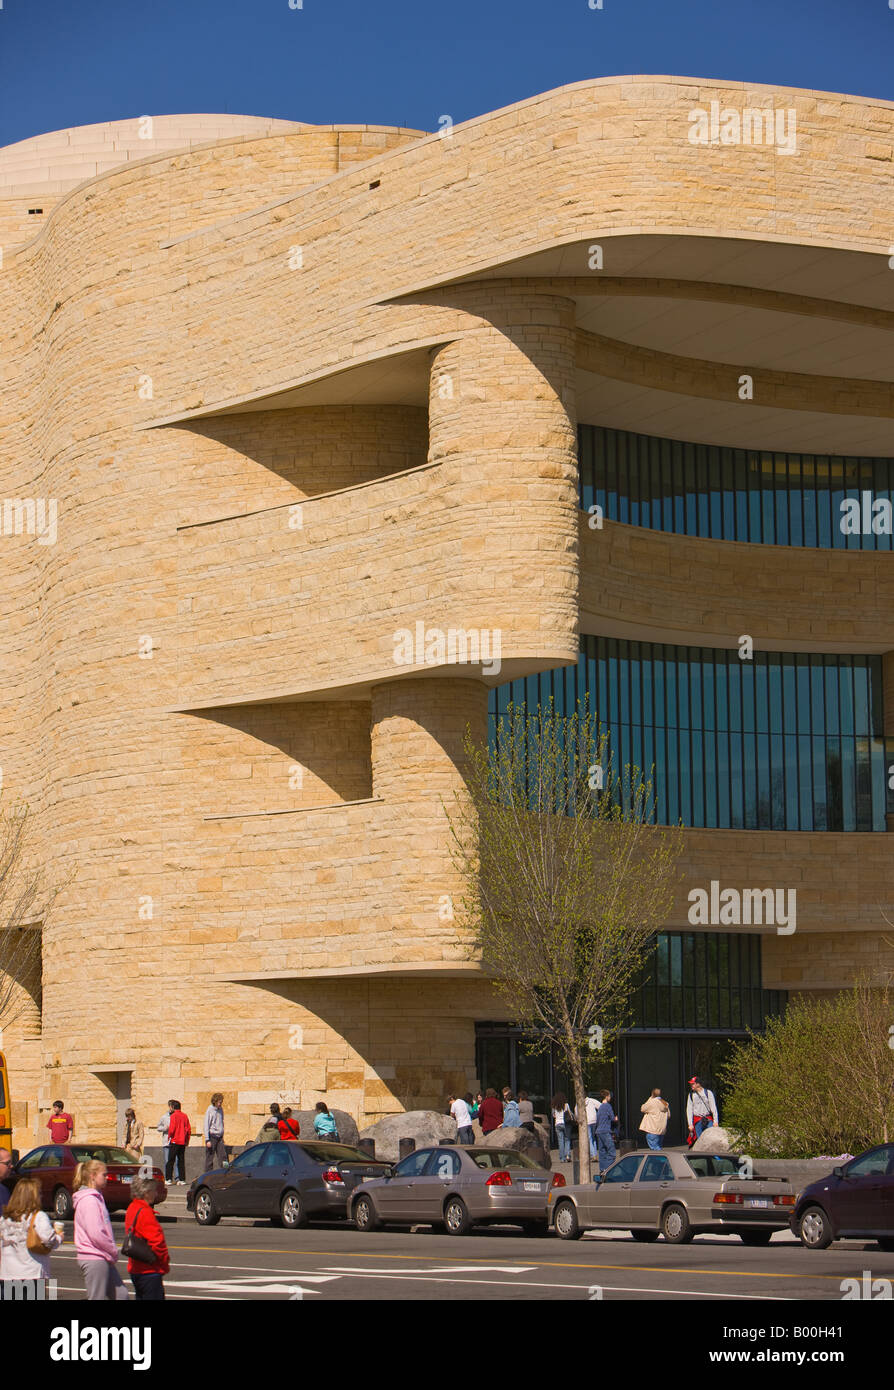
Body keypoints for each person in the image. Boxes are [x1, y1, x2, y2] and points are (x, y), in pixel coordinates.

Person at [73, 1159, 128, 1300]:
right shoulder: (89, 1201)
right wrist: (112, 1249)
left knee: (121, 1295)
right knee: (96, 1296)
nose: (107, 1178)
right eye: (103, 1175)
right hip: (94, 1256)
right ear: (92, 1176)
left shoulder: (96, 1198)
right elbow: (96, 1233)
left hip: (102, 1255)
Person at [0, 1177, 63, 1294]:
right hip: (31, 1272)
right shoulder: (38, 1216)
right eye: (39, 1193)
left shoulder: (4, 1219)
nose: (41, 1196)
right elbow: (49, 1239)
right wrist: (59, 1237)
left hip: (7, 1274)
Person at [124, 1176, 169, 1300]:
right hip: (149, 1270)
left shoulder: (132, 1208)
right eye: (154, 1190)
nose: (156, 1193)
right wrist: (164, 1264)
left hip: (135, 1267)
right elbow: (157, 1242)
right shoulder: (145, 1212)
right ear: (146, 1193)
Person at [686, 1076, 719, 1145]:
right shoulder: (691, 1095)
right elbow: (689, 1110)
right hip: (697, 1120)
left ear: (698, 1084)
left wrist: (715, 1121)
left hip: (708, 1119)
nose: (691, 1085)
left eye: (693, 1084)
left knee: (711, 1139)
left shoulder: (708, 1093)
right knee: (700, 1141)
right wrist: (690, 1124)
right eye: (691, 1084)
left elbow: (713, 1107)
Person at [165, 1100, 191, 1185]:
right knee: (181, 1161)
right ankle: (182, 1179)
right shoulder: (185, 1116)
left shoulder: (173, 1116)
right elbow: (188, 1130)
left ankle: (168, 1178)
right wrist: (187, 1140)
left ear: (173, 1107)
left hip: (175, 1141)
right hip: (182, 1142)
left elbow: (172, 1129)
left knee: (170, 1161)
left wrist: (169, 1137)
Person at [594, 1089, 617, 1173]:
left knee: (602, 1151)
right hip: (605, 1131)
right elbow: (612, 1118)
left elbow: (598, 1120)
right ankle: (608, 1169)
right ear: (607, 1096)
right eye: (609, 1096)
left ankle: (602, 1169)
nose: (610, 1097)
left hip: (598, 1131)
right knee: (612, 1152)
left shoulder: (600, 1107)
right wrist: (616, 1119)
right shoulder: (608, 1106)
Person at [203, 1092, 226, 1171]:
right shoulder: (210, 1110)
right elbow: (206, 1124)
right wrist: (207, 1139)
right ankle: (208, 1174)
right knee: (210, 1157)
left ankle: (225, 1172)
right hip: (212, 1136)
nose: (220, 1104)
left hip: (219, 1137)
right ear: (215, 1101)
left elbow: (221, 1121)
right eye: (219, 1102)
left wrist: (222, 1135)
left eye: (221, 1102)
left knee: (223, 1156)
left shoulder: (220, 1110)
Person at [551, 1092, 575, 1161]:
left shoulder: (554, 1106)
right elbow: (570, 1114)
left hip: (558, 1124)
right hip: (566, 1124)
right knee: (567, 1139)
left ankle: (562, 1158)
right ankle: (567, 1155)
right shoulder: (566, 1105)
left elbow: (553, 1115)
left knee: (560, 1141)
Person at [584, 1093, 601, 1159]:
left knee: (589, 1138)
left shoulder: (579, 1103)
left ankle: (593, 1155)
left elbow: (576, 1113)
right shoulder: (591, 1100)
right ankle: (595, 1153)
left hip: (587, 1121)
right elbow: (600, 1106)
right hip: (594, 1121)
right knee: (593, 1138)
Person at [156, 1106, 171, 1173]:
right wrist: (165, 1128)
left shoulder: (176, 1116)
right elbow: (158, 1127)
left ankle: (177, 1178)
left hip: (175, 1141)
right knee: (167, 1161)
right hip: (166, 1141)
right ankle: (168, 1177)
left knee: (176, 1161)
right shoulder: (164, 1117)